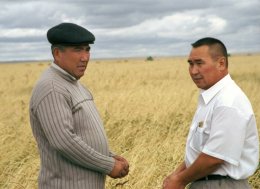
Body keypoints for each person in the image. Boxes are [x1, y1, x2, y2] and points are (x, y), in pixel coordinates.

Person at [29, 23, 129, 189]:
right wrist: (108, 165)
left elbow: (83, 135)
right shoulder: (52, 87)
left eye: (87, 49)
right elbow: (64, 141)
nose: (85, 57)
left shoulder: (74, 84)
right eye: (77, 50)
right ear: (57, 53)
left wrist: (110, 157)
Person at [163, 37, 259, 189]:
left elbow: (214, 158)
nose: (194, 71)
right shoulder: (211, 99)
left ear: (221, 63)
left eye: (200, 63)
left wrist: (180, 180)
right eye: (190, 64)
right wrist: (176, 175)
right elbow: (202, 152)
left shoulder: (228, 101)